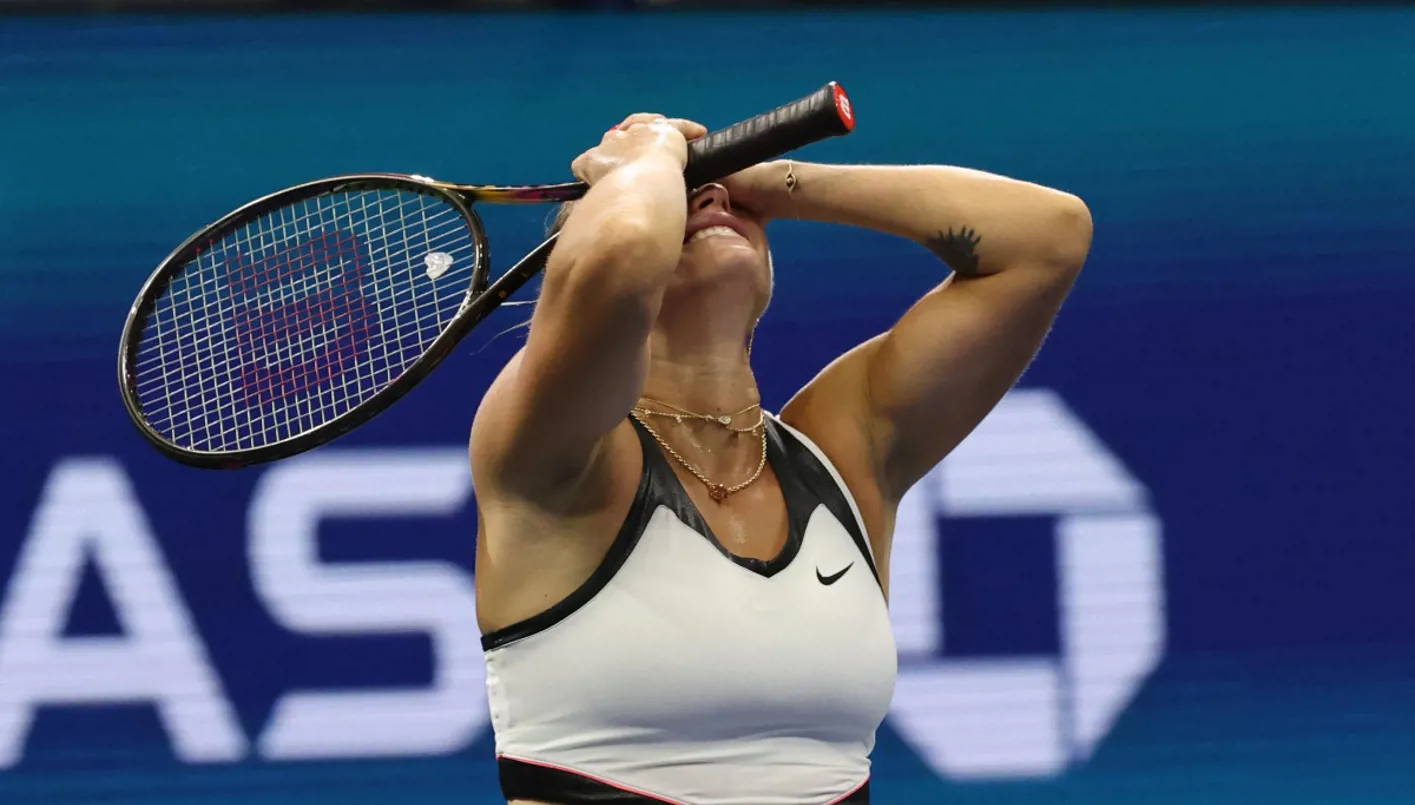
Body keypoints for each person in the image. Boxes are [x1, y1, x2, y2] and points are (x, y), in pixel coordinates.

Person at [469, 112, 1093, 805]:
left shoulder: (843, 450)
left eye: (719, 192)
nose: (708, 195)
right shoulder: (553, 446)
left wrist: (772, 180)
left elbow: (1047, 235)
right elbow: (621, 255)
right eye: (680, 193)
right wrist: (648, 153)